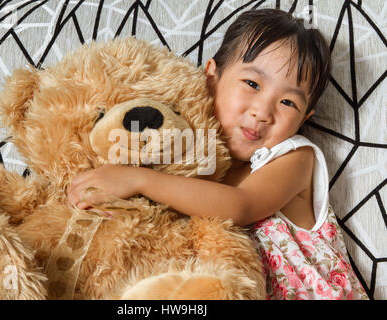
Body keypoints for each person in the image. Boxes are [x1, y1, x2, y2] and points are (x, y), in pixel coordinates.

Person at [67, 9, 368, 300]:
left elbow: (240, 206)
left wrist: (138, 180)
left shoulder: (294, 157)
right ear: (212, 76)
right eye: (252, 84)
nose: (262, 112)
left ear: (304, 117)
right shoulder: (190, 158)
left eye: (288, 103)